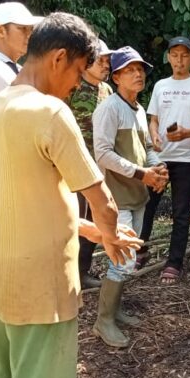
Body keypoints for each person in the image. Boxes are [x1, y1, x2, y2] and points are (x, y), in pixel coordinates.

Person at [0, 12, 142, 378]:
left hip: (4, 282)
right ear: (58, 58)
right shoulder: (50, 112)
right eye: (78, 70)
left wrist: (89, 231)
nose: (77, 84)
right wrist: (113, 235)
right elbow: (103, 201)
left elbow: (25, 201)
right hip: (44, 290)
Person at [92, 46, 169, 347]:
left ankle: (115, 310)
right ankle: (103, 321)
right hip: (116, 197)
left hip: (136, 195)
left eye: (141, 69)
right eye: (130, 70)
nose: (139, 74)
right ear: (116, 77)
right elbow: (103, 154)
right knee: (122, 259)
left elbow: (147, 147)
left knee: (126, 257)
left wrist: (156, 169)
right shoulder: (109, 108)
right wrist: (142, 174)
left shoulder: (137, 109)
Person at [0, 2, 42, 308]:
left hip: (13, 175)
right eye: (23, 29)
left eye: (31, 30)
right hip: (1, 177)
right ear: (0, 31)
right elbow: (36, 104)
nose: (29, 35)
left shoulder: (10, 68)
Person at [139, 36, 190, 284]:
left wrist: (187, 133)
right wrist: (153, 136)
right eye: (175, 55)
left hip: (187, 159)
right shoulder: (161, 85)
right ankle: (141, 250)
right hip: (160, 157)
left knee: (181, 213)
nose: (179, 60)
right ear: (169, 57)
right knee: (147, 206)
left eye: (184, 55)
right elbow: (153, 119)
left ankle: (174, 262)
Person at [67, 39, 115, 290]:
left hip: (99, 166)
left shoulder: (106, 91)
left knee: (95, 219)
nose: (106, 65)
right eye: (100, 60)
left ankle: (83, 271)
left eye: (108, 61)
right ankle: (67, 273)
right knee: (74, 220)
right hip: (73, 167)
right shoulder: (72, 87)